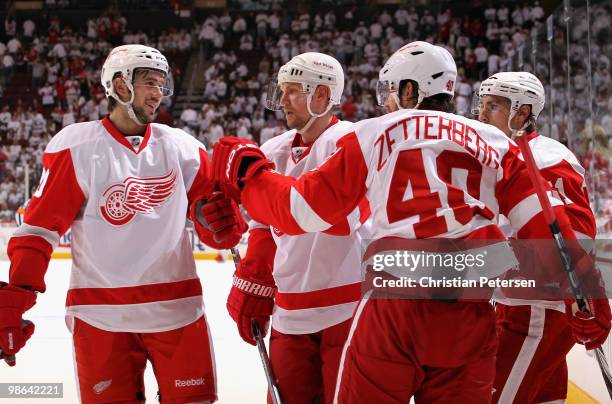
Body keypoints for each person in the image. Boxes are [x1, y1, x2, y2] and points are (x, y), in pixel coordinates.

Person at [209, 41, 609, 403]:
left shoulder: (372, 132)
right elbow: (546, 226)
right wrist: (585, 293)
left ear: (409, 92)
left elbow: (302, 210)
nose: (386, 103)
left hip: (393, 307)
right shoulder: (498, 142)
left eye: (390, 91)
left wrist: (249, 175)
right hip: (469, 311)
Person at [0, 44, 246, 404]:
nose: (158, 93)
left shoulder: (184, 149)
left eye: (162, 84)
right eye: (149, 82)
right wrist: (17, 296)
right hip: (100, 316)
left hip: (177, 312)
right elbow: (39, 231)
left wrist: (223, 227)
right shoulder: (77, 147)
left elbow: (215, 221)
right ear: (119, 84)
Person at [226, 52, 370, 404]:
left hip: (347, 310)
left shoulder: (355, 142)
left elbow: (332, 220)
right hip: (288, 312)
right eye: (282, 90)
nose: (283, 100)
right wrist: (256, 275)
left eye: (293, 91)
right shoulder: (272, 150)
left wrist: (257, 187)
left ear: (322, 96)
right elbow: (263, 225)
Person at [476, 71, 609, 403]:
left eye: (492, 106)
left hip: (536, 310)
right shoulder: (503, 155)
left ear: (522, 112)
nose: (480, 114)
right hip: (516, 304)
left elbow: (576, 235)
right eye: (481, 104)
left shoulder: (546, 157)